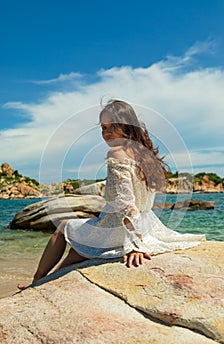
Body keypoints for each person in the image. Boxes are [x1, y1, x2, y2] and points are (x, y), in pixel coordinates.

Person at [18, 100, 205, 289]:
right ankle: (42, 284)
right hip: (147, 225)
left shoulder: (116, 154)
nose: (106, 133)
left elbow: (126, 204)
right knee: (75, 253)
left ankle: (36, 281)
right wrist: (140, 237)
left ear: (126, 125)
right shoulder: (146, 155)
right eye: (103, 128)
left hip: (116, 227)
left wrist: (134, 246)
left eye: (112, 127)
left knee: (63, 227)